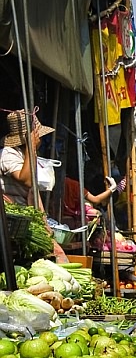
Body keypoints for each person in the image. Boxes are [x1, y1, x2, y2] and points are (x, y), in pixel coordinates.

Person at [0, 109, 68, 262]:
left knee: (57, 254)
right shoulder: (8, 154)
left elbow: (33, 190)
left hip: (27, 220)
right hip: (13, 224)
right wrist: (32, 149)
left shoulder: (24, 154)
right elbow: (27, 180)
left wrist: (44, 223)